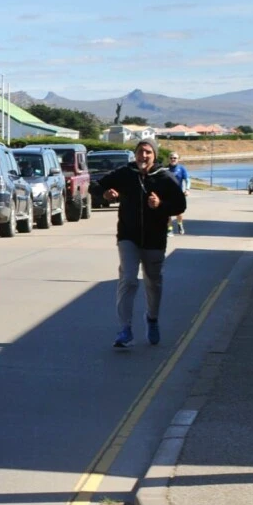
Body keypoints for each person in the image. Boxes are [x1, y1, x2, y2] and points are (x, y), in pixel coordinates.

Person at [91, 139, 187, 348]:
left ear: (154, 155)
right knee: (129, 279)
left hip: (155, 238)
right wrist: (105, 193)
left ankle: (152, 319)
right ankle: (125, 328)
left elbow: (180, 204)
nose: (143, 157)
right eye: (140, 152)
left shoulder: (164, 178)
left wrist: (161, 204)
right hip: (128, 236)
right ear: (134, 155)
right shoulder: (125, 174)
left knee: (153, 281)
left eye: (147, 153)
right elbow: (95, 186)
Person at [166, 152, 190, 235]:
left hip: (178, 193)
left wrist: (187, 189)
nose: (173, 159)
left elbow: (187, 179)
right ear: (168, 159)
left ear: (178, 159)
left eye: (175, 158)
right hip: (167, 194)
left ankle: (180, 224)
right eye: (171, 158)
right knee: (167, 212)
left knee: (178, 212)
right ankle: (170, 229)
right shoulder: (165, 169)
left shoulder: (181, 169)